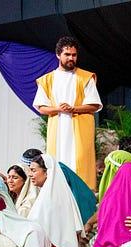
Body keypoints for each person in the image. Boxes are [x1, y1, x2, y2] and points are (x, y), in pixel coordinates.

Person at [34, 36, 102, 187]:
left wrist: (73, 109)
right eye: (67, 54)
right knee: (57, 167)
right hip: (58, 132)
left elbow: (94, 105)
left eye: (74, 55)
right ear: (58, 55)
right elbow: (41, 107)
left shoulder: (85, 77)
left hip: (80, 133)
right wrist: (58, 109)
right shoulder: (47, 79)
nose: (71, 58)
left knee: (80, 168)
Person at [26, 152, 85, 247]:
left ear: (47, 172)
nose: (30, 174)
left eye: (33, 170)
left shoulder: (50, 198)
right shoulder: (59, 194)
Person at [21, 148, 96, 224]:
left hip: (83, 209)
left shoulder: (57, 174)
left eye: (32, 169)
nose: (29, 174)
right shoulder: (52, 174)